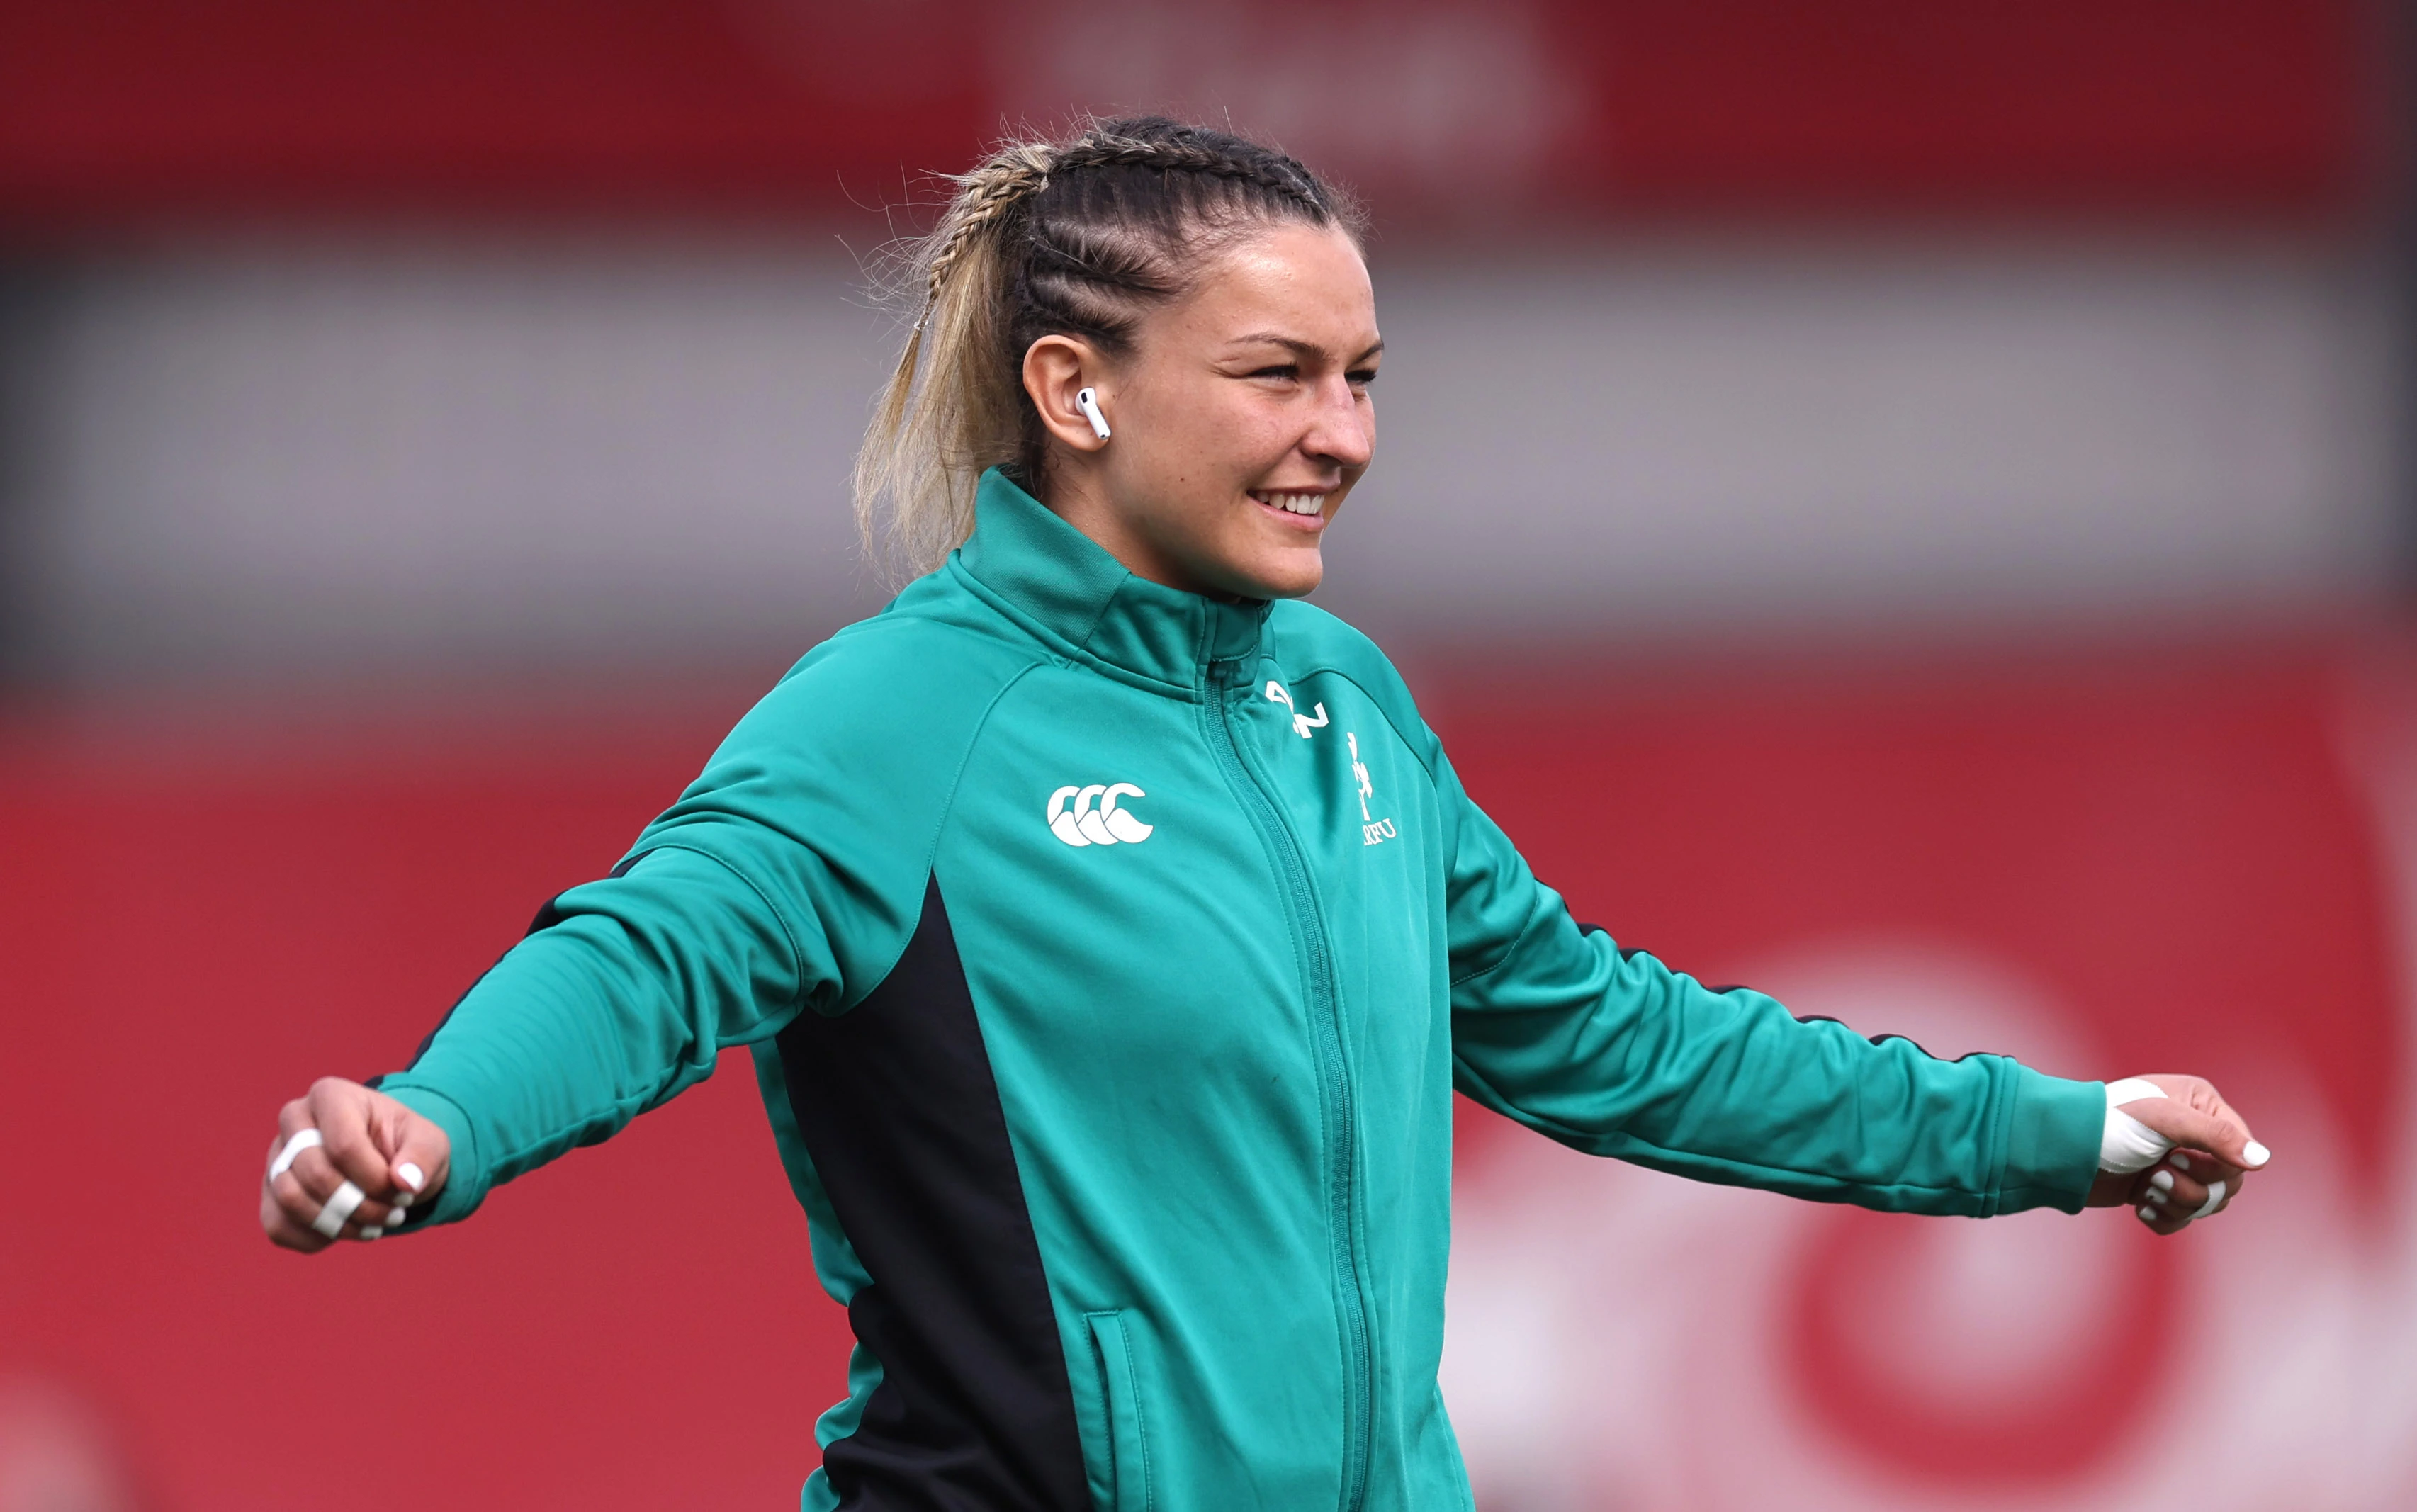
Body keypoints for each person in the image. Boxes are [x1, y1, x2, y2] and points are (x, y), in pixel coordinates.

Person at [259, 116, 2270, 1511]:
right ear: (1077, 388)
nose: (1345, 436)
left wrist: (2057, 1134)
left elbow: (1626, 1039)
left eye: (1366, 376)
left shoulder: (1346, 707)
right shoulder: (905, 716)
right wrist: (437, 1121)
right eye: (1283, 374)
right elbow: (652, 947)